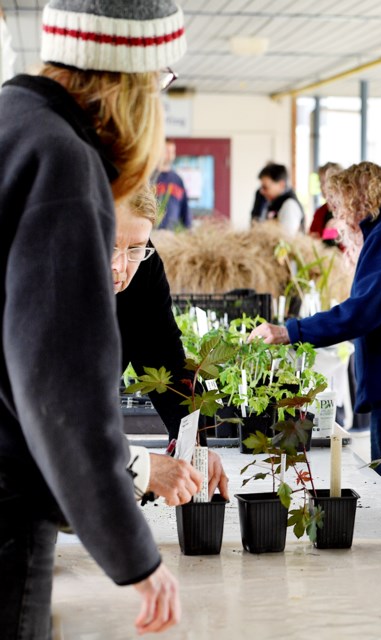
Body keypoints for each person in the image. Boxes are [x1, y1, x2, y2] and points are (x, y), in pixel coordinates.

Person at [0, 1, 188, 635]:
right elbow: (59, 383)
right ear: (131, 77)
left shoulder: (9, 122)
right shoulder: (61, 158)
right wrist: (131, 550)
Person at [249, 162, 381, 490]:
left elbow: (361, 311)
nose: (339, 217)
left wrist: (290, 331)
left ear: (359, 199)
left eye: (340, 205)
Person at [115, 184, 229, 503]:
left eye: (136, 248)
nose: (119, 267)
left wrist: (191, 446)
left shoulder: (145, 269)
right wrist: (140, 468)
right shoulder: (46, 279)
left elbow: (164, 358)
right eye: (110, 245)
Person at [154, 140, 191, 230]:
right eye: (167, 151)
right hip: (153, 232)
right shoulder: (151, 177)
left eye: (172, 152)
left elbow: (184, 208)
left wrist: (188, 229)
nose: (170, 155)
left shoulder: (177, 180)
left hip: (172, 233)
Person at [258, 162, 304, 235]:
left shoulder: (289, 206)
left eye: (265, 187)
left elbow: (286, 239)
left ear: (281, 184)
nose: (261, 192)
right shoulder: (273, 203)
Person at [308, 161, 343, 244]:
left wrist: (324, 235)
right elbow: (311, 238)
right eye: (321, 182)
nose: (322, 187)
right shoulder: (320, 212)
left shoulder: (347, 211)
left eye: (327, 182)